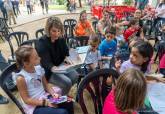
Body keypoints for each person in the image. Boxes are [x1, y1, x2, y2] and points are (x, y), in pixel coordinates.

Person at [15, 45, 73, 114]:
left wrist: (53, 93)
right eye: (36, 58)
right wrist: (45, 103)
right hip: (34, 106)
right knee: (62, 112)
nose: (39, 58)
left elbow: (46, 85)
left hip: (45, 96)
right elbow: (26, 100)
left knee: (69, 101)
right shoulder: (21, 78)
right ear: (26, 63)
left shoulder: (38, 68)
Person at [36, 16, 79, 95]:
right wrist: (56, 68)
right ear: (48, 30)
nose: (57, 34)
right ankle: (61, 98)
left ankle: (63, 92)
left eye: (59, 31)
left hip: (60, 66)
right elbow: (46, 62)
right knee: (67, 82)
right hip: (49, 72)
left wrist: (67, 58)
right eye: (54, 31)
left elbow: (66, 52)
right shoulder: (41, 42)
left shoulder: (60, 39)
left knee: (75, 75)